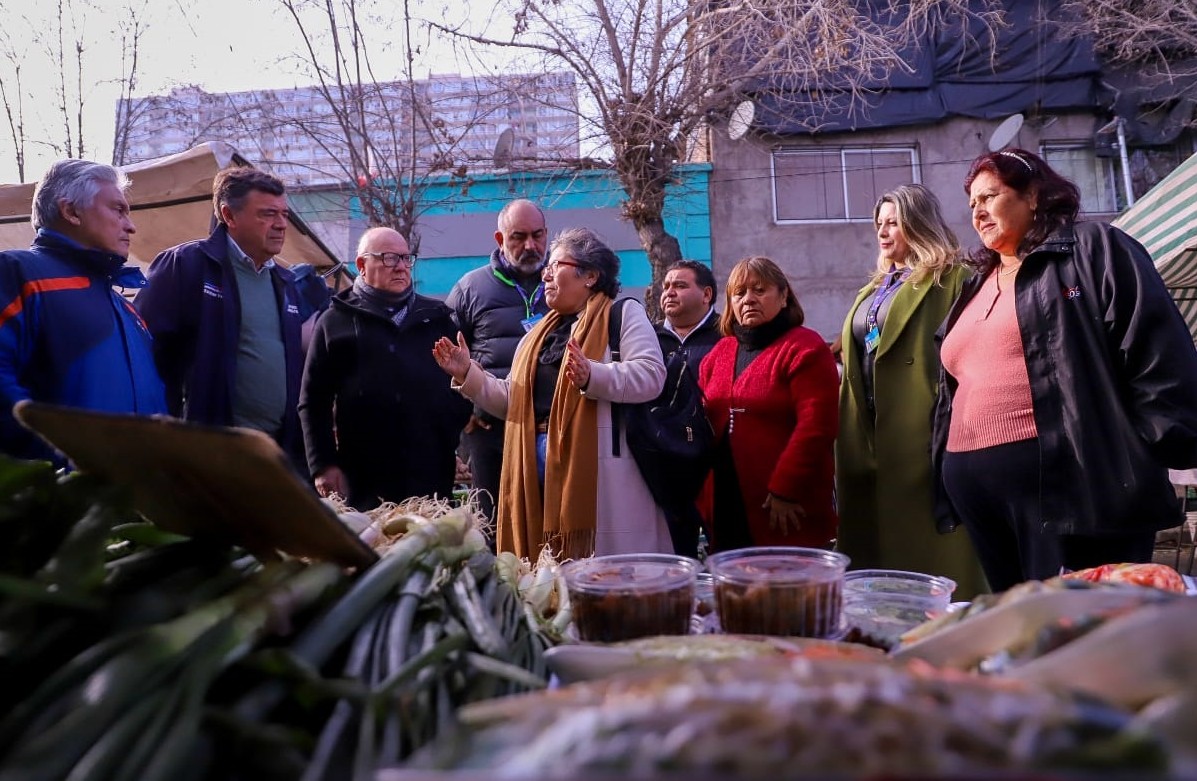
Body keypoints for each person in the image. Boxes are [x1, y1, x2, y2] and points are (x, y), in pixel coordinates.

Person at [932, 148, 1197, 592]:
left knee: (1086, 620)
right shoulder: (974, 284)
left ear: (1033, 195)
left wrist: (1143, 448)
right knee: (1018, 624)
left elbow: (1156, 345)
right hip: (978, 492)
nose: (977, 211)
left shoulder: (1093, 249)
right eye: (972, 202)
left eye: (990, 196)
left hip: (1072, 487)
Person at [433, 227, 669, 560]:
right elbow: (512, 401)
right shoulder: (537, 334)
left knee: (602, 567)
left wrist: (592, 375)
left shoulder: (621, 314)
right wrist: (467, 374)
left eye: (556, 265)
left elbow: (651, 375)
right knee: (548, 567)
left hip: (600, 467)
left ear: (590, 275)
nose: (545, 274)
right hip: (534, 463)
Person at [835, 184, 986, 598]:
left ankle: (946, 619)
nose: (883, 232)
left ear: (918, 224)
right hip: (867, 432)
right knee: (874, 553)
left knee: (927, 553)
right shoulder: (875, 288)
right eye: (879, 224)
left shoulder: (953, 279)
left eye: (893, 223)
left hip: (924, 429)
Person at [135, 168, 308, 472]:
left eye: (284, 214)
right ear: (229, 215)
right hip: (204, 451)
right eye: (267, 214)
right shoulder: (186, 265)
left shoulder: (286, 282)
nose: (281, 224)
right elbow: (143, 351)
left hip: (272, 453)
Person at [0, 159, 167, 464]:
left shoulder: (127, 309)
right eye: (118, 210)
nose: (131, 226)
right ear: (71, 211)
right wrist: (63, 461)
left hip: (135, 489)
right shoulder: (16, 273)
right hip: (63, 491)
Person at [299, 227, 470, 510]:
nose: (401, 267)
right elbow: (313, 401)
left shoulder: (437, 320)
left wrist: (448, 441)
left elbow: (459, 390)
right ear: (362, 265)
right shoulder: (335, 322)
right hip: (362, 479)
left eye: (405, 258)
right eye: (389, 258)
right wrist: (322, 463)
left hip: (429, 476)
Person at [698, 256, 839, 552]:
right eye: (739, 293)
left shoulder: (805, 348)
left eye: (759, 290)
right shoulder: (720, 352)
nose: (748, 299)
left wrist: (786, 489)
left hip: (784, 505)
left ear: (784, 296)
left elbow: (817, 427)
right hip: (724, 503)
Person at [445, 199, 550, 527]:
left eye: (537, 235)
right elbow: (444, 356)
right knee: (493, 526)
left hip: (553, 430)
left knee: (552, 528)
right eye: (519, 237)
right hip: (490, 432)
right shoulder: (470, 288)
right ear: (500, 239)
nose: (530, 245)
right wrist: (462, 415)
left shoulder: (564, 283)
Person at [654, 259, 721, 556]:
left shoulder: (729, 335)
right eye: (666, 286)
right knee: (674, 560)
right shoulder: (648, 339)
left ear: (706, 294)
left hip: (717, 464)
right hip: (664, 466)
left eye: (680, 285)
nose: (669, 292)